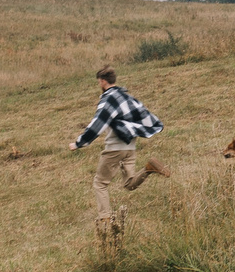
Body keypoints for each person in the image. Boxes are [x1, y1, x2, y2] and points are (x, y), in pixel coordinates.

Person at [70, 67, 167, 220]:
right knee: (129, 184)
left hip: (115, 149)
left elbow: (98, 123)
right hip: (130, 147)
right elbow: (144, 114)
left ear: (102, 81)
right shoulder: (127, 98)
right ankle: (149, 168)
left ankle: (105, 218)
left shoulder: (109, 99)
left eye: (98, 82)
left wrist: (79, 143)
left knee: (100, 183)